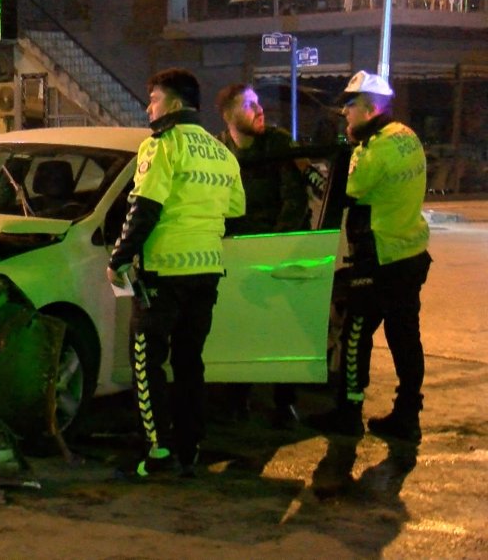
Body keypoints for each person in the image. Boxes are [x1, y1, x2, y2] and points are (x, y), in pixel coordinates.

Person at [107, 68, 245, 478]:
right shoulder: (221, 152)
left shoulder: (162, 145)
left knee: (146, 362)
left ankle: (159, 452)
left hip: (164, 271)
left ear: (175, 104)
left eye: (153, 98)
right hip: (206, 270)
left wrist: (117, 258)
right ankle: (191, 445)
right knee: (190, 362)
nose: (149, 107)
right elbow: (236, 210)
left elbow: (143, 207)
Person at [308, 70, 432, 442]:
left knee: (356, 334)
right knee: (405, 336)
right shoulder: (408, 136)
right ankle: (408, 413)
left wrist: (346, 150)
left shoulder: (373, 149)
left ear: (369, 108)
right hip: (410, 252)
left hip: (378, 256)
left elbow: (350, 190)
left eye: (350, 107)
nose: (345, 114)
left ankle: (349, 411)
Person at [215, 83, 310, 428]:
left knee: (280, 325)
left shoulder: (278, 143)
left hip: (274, 247)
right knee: (237, 325)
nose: (259, 110)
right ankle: (236, 397)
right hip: (232, 248)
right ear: (228, 115)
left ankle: (285, 401)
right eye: (249, 105)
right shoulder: (219, 150)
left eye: (258, 103)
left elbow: (295, 199)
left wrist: (276, 246)